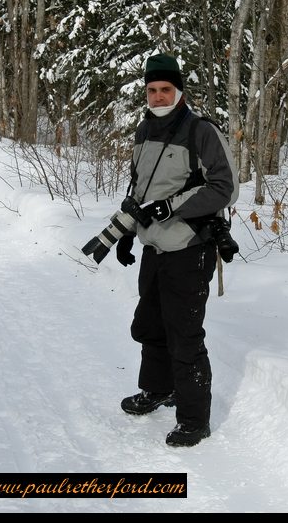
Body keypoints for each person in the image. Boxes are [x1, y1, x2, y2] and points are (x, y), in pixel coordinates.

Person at [115, 53, 238, 447]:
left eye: (165, 89)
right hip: (154, 247)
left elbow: (225, 187)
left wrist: (175, 206)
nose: (158, 96)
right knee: (150, 325)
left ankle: (194, 419)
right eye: (152, 90)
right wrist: (127, 232)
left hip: (189, 248)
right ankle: (158, 389)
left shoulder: (200, 131)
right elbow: (140, 190)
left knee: (184, 335)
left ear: (178, 89)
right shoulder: (143, 131)